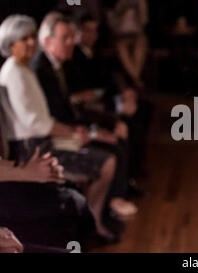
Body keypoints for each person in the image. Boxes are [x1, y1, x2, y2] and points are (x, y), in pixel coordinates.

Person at [0, 14, 117, 242]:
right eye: (25, 39)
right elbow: (38, 123)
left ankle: (91, 225)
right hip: (32, 150)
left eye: (33, 37)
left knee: (102, 153)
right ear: (10, 42)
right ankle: (90, 227)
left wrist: (78, 134)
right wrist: (74, 134)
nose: (32, 43)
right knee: (105, 162)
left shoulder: (23, 70)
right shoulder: (14, 72)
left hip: (39, 143)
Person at [31, 12, 138, 218]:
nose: (72, 42)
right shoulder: (41, 70)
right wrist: (90, 132)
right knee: (111, 151)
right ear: (47, 40)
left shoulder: (55, 65)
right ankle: (97, 216)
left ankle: (105, 208)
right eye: (65, 38)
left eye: (72, 37)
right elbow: (50, 119)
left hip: (70, 127)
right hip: (51, 142)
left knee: (117, 138)